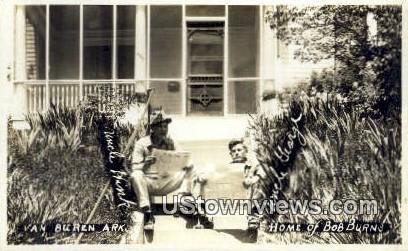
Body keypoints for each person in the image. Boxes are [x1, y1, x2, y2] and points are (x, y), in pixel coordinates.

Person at [129, 109, 205, 230]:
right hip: (150, 183)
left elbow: (184, 159)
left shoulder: (171, 142)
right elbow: (134, 168)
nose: (164, 130)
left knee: (192, 169)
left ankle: (191, 205)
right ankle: (148, 214)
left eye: (165, 126)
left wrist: (183, 164)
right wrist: (145, 164)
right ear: (153, 128)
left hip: (167, 181)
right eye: (160, 127)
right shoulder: (142, 144)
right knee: (136, 175)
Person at [228, 138, 266, 230]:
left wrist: (254, 179)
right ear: (230, 154)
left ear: (245, 151)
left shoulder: (253, 165)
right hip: (232, 197)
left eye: (239, 150)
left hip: (248, 197)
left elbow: (263, 172)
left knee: (258, 183)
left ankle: (253, 217)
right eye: (233, 151)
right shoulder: (228, 167)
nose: (236, 153)